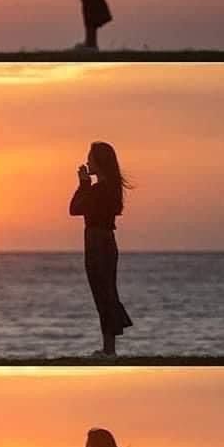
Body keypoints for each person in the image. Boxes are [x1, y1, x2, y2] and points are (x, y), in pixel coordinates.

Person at [70, 141, 132, 358]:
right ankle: (109, 349)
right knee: (105, 294)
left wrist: (83, 184)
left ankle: (109, 350)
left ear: (100, 161)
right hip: (104, 242)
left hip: (98, 243)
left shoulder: (100, 190)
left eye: (90, 157)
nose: (87, 161)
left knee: (103, 294)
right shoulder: (109, 189)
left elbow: (75, 208)